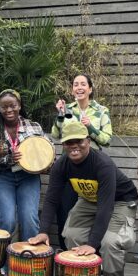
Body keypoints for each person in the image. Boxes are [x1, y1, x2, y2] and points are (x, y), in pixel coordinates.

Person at [29, 119, 138, 276]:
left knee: (110, 242)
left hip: (119, 201)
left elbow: (106, 207)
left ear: (88, 140)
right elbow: (52, 199)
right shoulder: (61, 165)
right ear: (63, 145)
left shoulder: (102, 163)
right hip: (89, 199)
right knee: (71, 235)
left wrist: (92, 244)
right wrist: (43, 230)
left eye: (79, 141)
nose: (74, 146)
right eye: (69, 142)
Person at [0, 89, 47, 242]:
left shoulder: (34, 127)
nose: (9, 110)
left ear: (20, 106)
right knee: (7, 221)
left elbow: (46, 152)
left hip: (28, 177)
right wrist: (9, 159)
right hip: (4, 178)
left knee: (29, 220)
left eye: (13, 105)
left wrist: (44, 164)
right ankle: (1, 264)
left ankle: (28, 262)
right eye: (4, 107)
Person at [52, 73, 113, 238]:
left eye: (83, 84)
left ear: (90, 89)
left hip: (92, 166)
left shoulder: (101, 111)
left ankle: (91, 253)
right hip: (69, 164)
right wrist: (60, 114)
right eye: (76, 84)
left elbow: (107, 139)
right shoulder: (68, 109)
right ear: (72, 90)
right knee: (64, 209)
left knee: (93, 211)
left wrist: (91, 128)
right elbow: (55, 135)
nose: (79, 87)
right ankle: (65, 254)